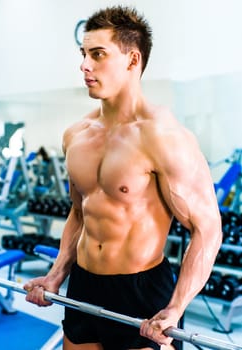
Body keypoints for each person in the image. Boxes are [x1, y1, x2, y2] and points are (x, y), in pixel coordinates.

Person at [24, 5, 222, 350]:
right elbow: (80, 211)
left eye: (98, 54)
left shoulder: (164, 137)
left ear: (132, 60)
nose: (85, 65)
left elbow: (208, 228)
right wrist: (58, 274)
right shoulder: (76, 134)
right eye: (84, 54)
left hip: (141, 293)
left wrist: (176, 307)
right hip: (84, 283)